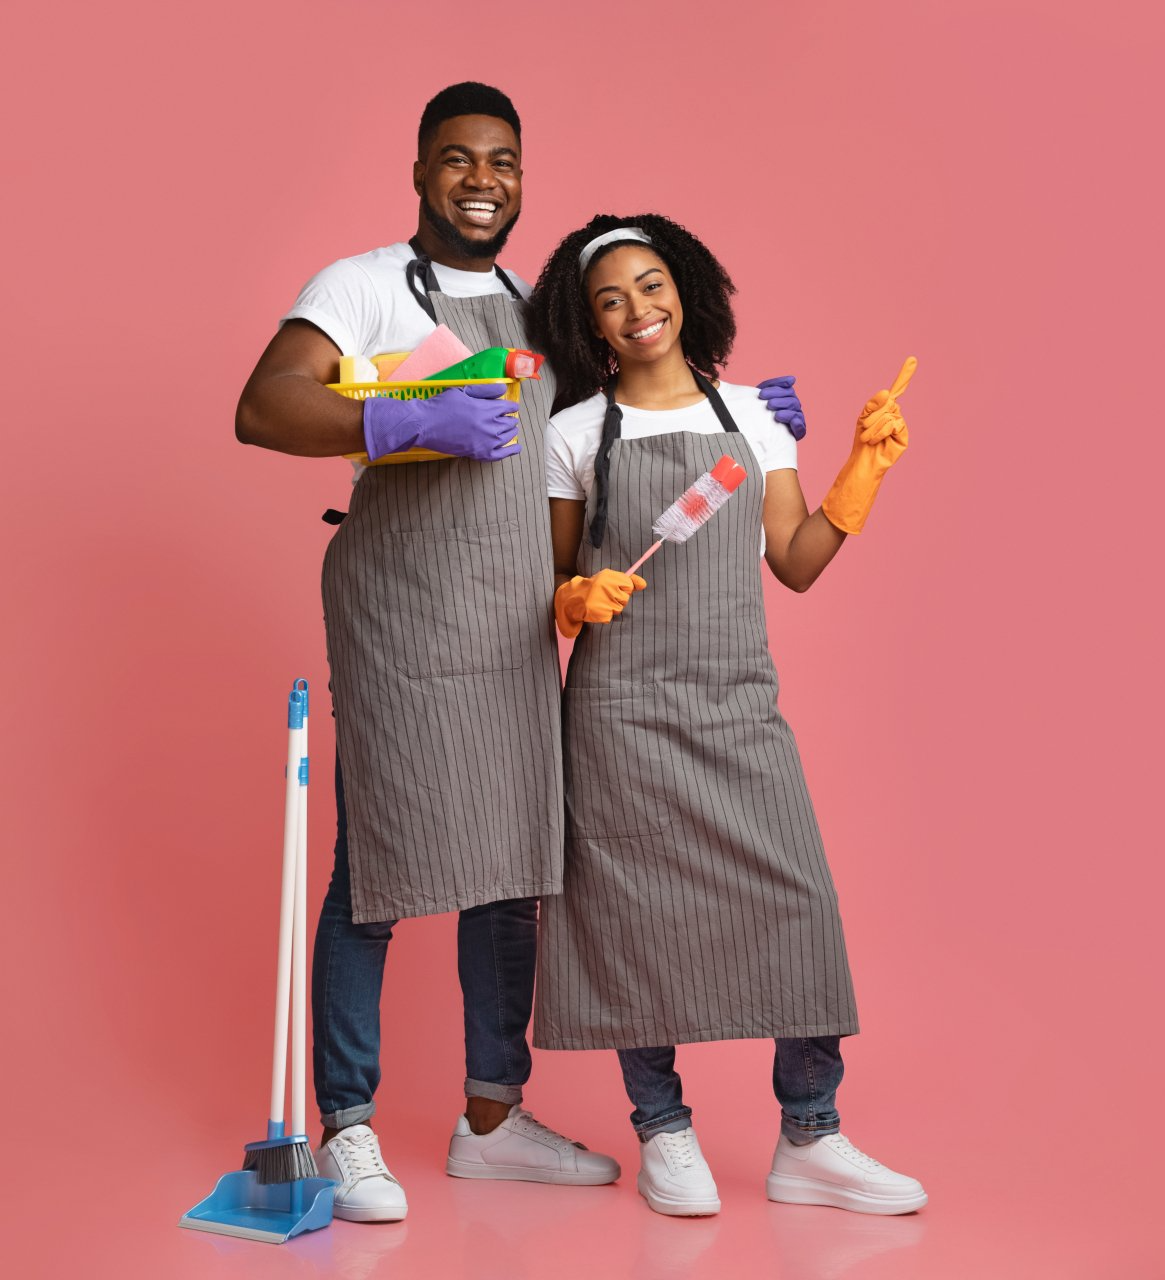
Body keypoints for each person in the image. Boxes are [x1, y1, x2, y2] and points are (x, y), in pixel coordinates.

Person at [233, 82, 624, 1222]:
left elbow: (605, 427)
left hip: (510, 618)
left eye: (501, 161)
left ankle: (492, 1118)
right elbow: (264, 406)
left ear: (520, 176)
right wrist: (396, 419)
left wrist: (741, 418)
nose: (481, 180)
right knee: (381, 864)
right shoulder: (358, 287)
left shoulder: (540, 306)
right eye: (456, 159)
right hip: (404, 615)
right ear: (419, 171)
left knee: (511, 866)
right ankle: (347, 1125)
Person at [526, 214, 927, 1218]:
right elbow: (542, 579)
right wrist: (572, 598)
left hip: (737, 707)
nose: (637, 309)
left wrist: (861, 472)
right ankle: (662, 1130)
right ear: (591, 326)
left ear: (685, 288)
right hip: (619, 718)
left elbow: (792, 561)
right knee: (630, 926)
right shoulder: (572, 434)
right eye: (609, 299)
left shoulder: (752, 414)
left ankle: (811, 1135)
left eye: (651, 284)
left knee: (798, 905)